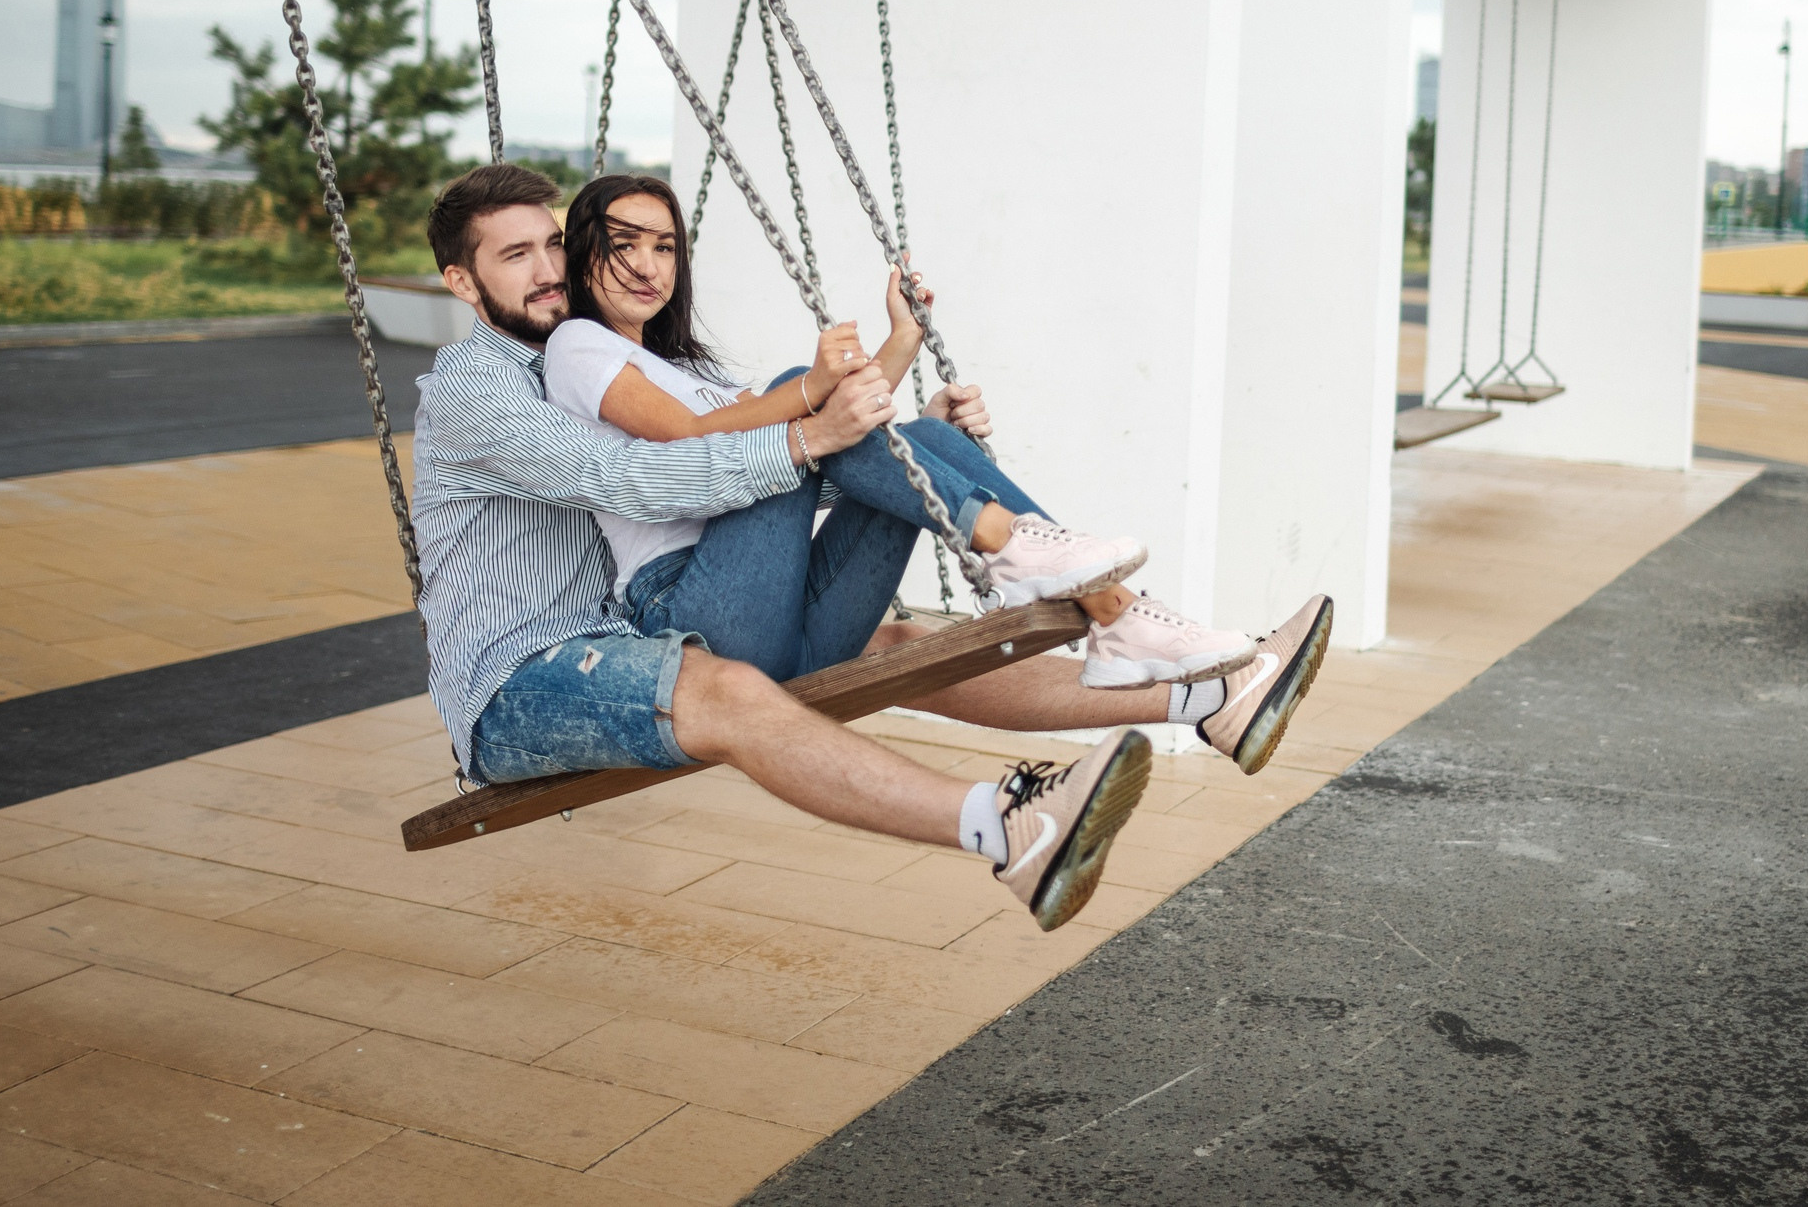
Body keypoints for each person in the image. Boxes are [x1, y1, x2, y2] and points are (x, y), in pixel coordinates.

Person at [412, 163, 1332, 931]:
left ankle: (1203, 691)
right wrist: (812, 426)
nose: (549, 271)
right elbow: (641, 473)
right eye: (517, 255)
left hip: (667, 623)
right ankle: (1008, 819)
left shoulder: (626, 362)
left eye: (551, 249)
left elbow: (787, 429)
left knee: (895, 623)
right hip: (524, 674)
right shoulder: (482, 386)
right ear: (462, 280)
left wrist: (909, 424)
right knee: (736, 665)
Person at [541, 171, 1261, 693]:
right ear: (581, 252)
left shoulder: (687, 367)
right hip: (697, 619)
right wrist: (809, 388)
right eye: (624, 243)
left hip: (801, 633)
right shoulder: (579, 343)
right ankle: (1018, 550)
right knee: (808, 393)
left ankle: (1115, 619)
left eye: (665, 247)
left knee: (928, 436)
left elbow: (832, 429)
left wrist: (903, 338)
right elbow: (690, 435)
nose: (646, 264)